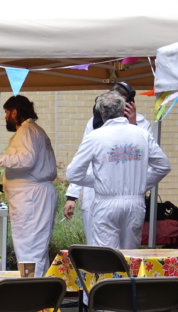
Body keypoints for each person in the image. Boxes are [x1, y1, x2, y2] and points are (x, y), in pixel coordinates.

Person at [66, 91, 170, 250]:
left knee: (107, 255)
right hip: (135, 201)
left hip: (106, 201)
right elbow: (163, 166)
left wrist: (98, 182)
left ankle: (109, 275)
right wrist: (142, 184)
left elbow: (73, 173)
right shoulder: (142, 134)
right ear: (123, 110)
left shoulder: (95, 137)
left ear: (101, 113)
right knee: (129, 254)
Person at [0, 95, 58, 277]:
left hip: (31, 196)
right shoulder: (35, 130)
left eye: (6, 113)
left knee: (29, 248)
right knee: (35, 248)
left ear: (15, 112)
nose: (5, 117)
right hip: (34, 194)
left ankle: (32, 295)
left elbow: (26, 160)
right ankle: (39, 291)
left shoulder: (27, 131)